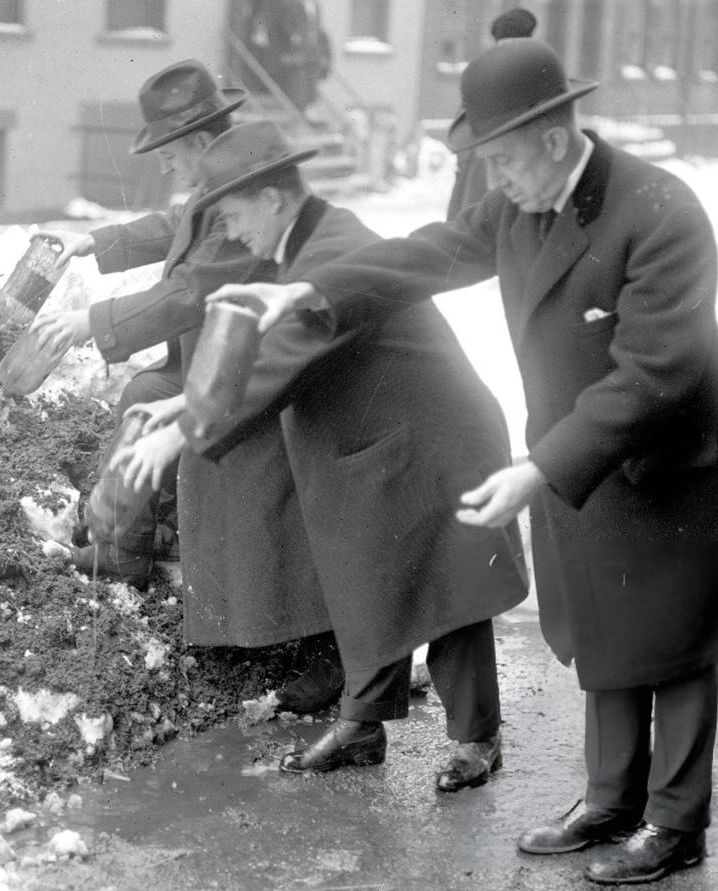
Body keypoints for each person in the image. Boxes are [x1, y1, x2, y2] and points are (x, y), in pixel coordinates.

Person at [211, 39, 718, 885]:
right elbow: (430, 252)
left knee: (677, 643)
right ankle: (611, 799)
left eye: (503, 160)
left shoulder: (660, 209)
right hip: (580, 459)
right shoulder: (522, 203)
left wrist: (540, 467)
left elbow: (655, 374)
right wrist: (312, 290)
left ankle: (674, 822)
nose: (495, 181)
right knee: (607, 630)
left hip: (669, 465)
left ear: (553, 139)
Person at [119, 119, 529, 792]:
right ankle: (362, 727)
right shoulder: (301, 243)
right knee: (365, 580)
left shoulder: (333, 245)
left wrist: (186, 427)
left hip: (431, 439)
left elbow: (288, 350)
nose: (231, 228)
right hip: (378, 442)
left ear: (274, 200)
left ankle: (478, 738)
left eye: (234, 213)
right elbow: (262, 340)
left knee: (443, 590)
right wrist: (184, 400)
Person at [31, 59, 343, 714]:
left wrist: (92, 321)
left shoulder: (241, 186)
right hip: (217, 353)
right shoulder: (215, 179)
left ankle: (309, 642)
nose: (168, 168)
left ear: (197, 144)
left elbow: (192, 289)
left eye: (169, 154)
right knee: (144, 395)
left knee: (166, 415)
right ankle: (123, 544)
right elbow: (175, 228)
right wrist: (98, 241)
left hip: (257, 363)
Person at [444, 7, 537, 220]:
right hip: (500, 171)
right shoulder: (533, 72)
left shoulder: (480, 72)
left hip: (480, 170)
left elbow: (461, 132)